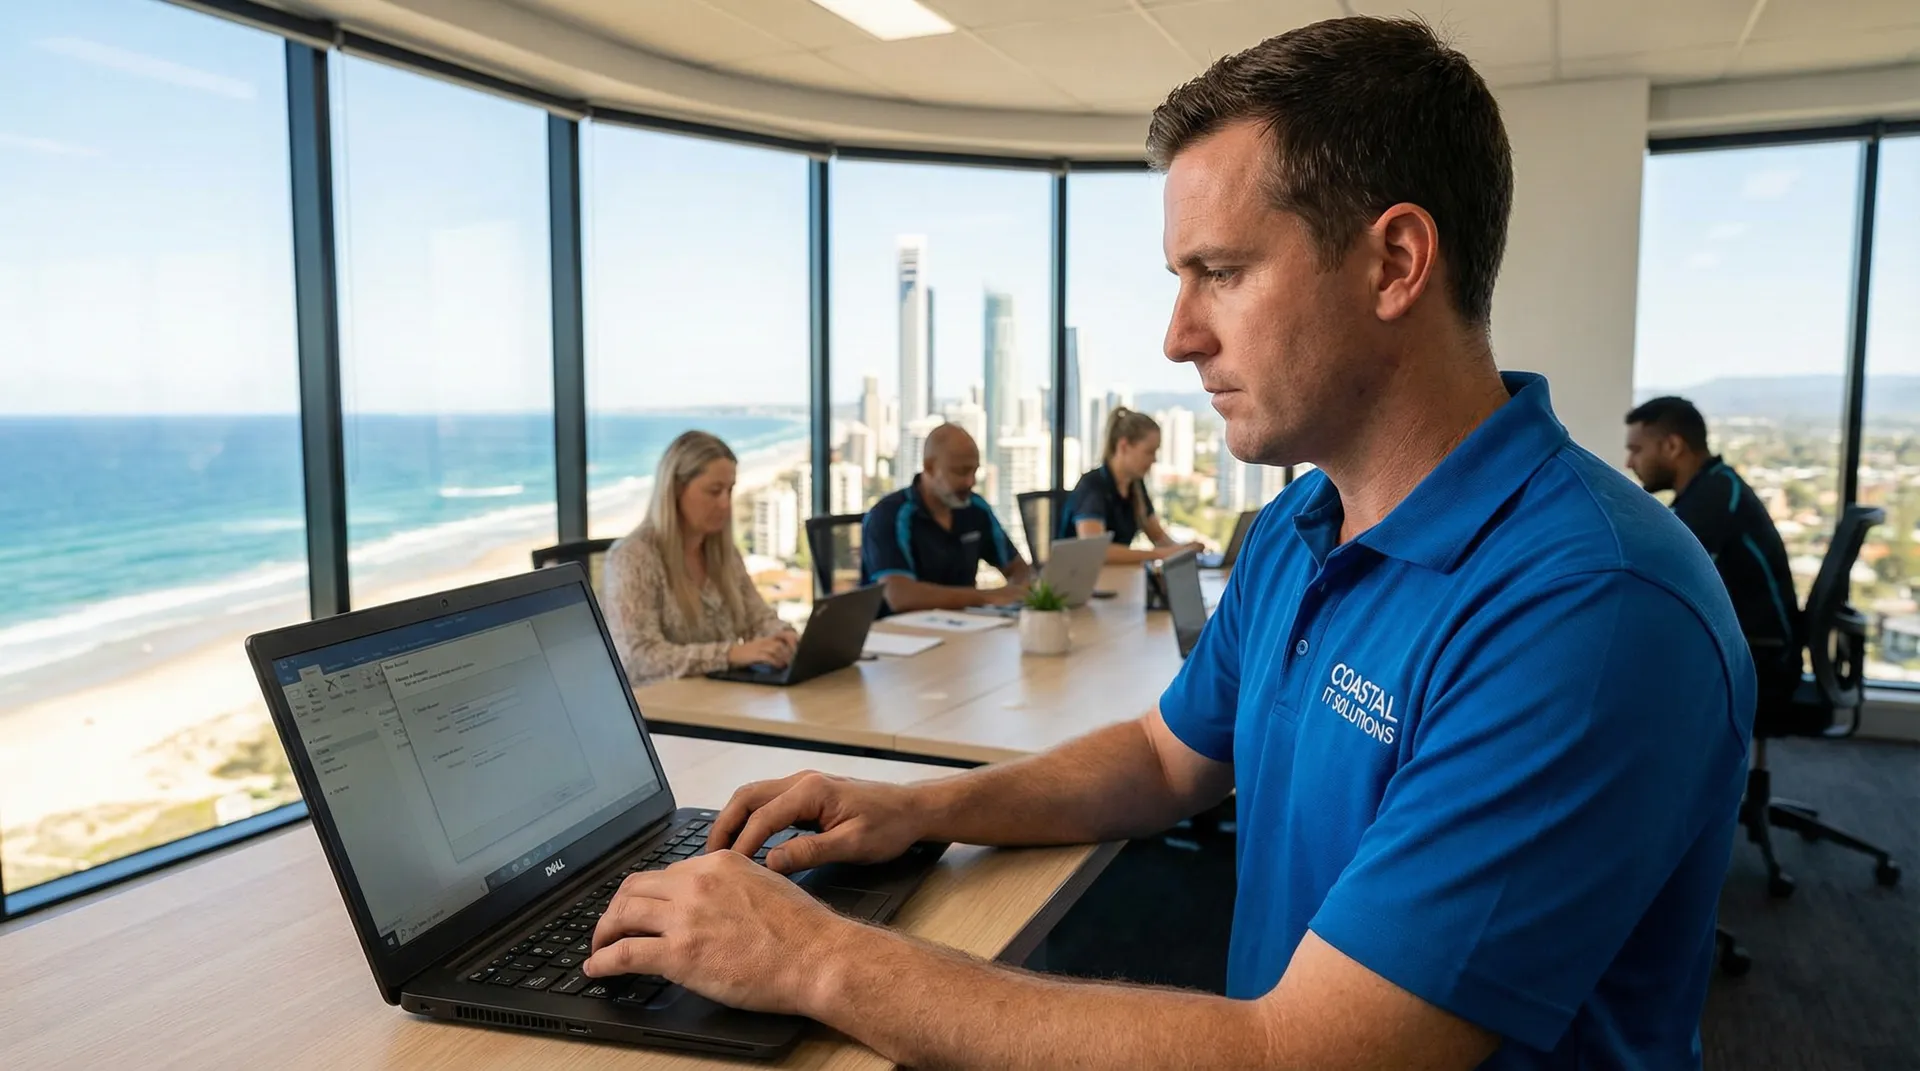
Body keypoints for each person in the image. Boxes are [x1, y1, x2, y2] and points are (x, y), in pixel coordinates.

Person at [581, 18, 1754, 1070]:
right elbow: (1162, 758)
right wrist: (923, 809)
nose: (1180, 332)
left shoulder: (1590, 611)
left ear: (1396, 263)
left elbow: (1309, 1058)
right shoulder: (1305, 527)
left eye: (1223, 273)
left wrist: (816, 961)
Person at [1626, 396, 1802, 705]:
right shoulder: (1711, 488)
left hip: (1763, 661)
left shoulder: (1714, 498)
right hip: (1750, 648)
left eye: (1637, 450)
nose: (1629, 463)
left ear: (1672, 446)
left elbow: (1667, 579)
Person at [601, 430, 797, 686]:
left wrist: (782, 637)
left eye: (730, 490)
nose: (726, 504)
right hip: (666, 713)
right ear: (676, 491)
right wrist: (730, 654)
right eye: (714, 491)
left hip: (717, 699)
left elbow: (757, 617)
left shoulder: (722, 552)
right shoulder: (632, 559)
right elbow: (639, 658)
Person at [857, 422, 1032, 614]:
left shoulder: (976, 508)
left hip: (964, 629)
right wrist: (988, 596)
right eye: (961, 471)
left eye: (974, 471)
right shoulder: (890, 515)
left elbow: (1017, 568)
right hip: (900, 634)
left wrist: (1019, 592)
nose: (971, 482)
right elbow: (899, 595)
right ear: (930, 467)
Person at [1061, 406, 1204, 563]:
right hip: (1082, 581)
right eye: (1149, 452)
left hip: (1118, 578)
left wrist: (1184, 551)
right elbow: (1096, 552)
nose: (1154, 460)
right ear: (1123, 446)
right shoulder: (1093, 486)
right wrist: (1161, 554)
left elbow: (1159, 537)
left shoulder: (1135, 486)